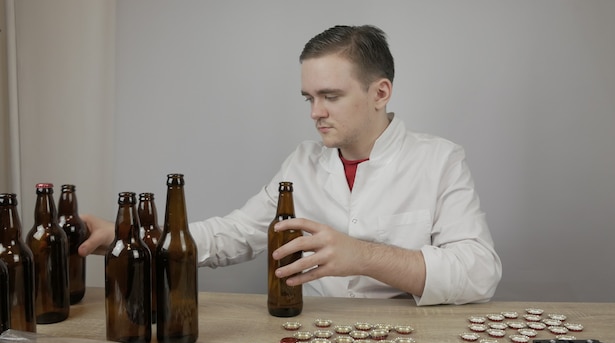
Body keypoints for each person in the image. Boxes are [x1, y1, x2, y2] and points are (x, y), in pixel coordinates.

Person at [80, 24, 501, 306]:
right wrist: (135, 237)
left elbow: (480, 273)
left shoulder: (440, 160)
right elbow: (236, 233)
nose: (315, 112)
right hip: (314, 333)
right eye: (309, 97)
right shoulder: (301, 164)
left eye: (330, 96)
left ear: (381, 92)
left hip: (406, 338)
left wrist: (363, 256)